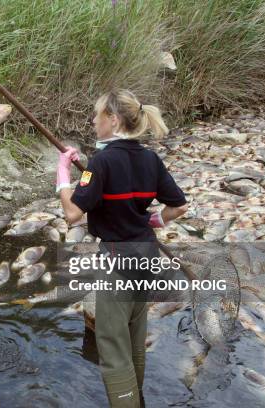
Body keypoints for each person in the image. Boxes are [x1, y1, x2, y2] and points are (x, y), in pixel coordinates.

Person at [57, 90, 188, 408]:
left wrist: (62, 176)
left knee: (113, 347)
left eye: (97, 114)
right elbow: (179, 206)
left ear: (112, 120)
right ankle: (138, 398)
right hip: (146, 256)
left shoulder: (99, 163)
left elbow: (73, 213)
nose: (93, 120)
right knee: (134, 337)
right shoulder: (149, 158)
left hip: (116, 264)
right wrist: (153, 220)